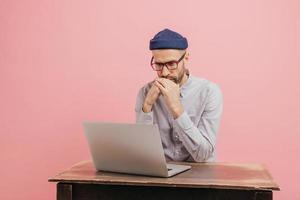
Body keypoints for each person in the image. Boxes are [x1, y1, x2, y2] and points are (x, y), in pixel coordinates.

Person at [135, 28, 223, 162]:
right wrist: (147, 106)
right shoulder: (145, 92)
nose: (164, 72)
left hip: (200, 176)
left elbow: (203, 154)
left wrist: (176, 108)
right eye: (158, 64)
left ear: (186, 57)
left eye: (171, 64)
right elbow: (141, 154)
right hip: (160, 176)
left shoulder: (209, 92)